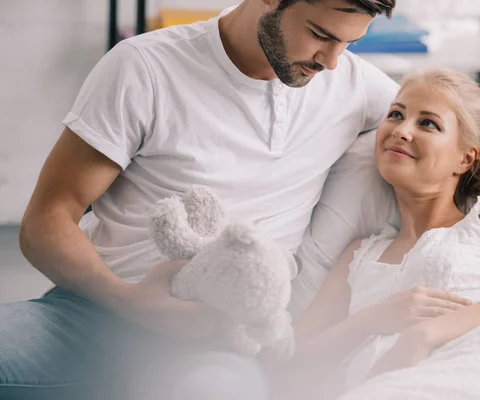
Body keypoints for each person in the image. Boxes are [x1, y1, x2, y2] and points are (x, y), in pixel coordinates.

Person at [0, 0, 434, 398]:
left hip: (220, 343)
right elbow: (47, 218)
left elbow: (461, 133)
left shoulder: (359, 89)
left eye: (350, 42)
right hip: (89, 315)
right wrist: (126, 300)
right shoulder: (145, 67)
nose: (333, 61)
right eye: (321, 35)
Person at [272, 68, 480, 399]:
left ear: (464, 158)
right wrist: (371, 320)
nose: (401, 130)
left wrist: (425, 334)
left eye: (427, 123)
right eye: (396, 114)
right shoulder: (359, 256)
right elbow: (292, 361)